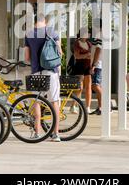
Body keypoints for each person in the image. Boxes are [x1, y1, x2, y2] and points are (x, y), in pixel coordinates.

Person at [24, 13, 63, 142]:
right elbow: (59, 52)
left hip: (36, 72)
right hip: (51, 71)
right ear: (45, 21)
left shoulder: (29, 34)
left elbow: (27, 57)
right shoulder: (52, 31)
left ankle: (37, 133)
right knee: (54, 101)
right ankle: (55, 134)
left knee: (36, 101)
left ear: (35, 22)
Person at [71, 28, 92, 114]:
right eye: (87, 33)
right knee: (79, 87)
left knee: (88, 87)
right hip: (79, 66)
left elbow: (91, 56)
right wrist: (87, 55)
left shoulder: (89, 44)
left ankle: (88, 107)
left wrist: (91, 66)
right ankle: (73, 106)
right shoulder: (77, 43)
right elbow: (77, 56)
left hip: (88, 66)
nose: (89, 34)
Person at [88, 28, 103, 115]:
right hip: (98, 64)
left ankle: (103, 107)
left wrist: (93, 65)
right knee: (97, 86)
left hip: (98, 65)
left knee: (95, 85)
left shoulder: (100, 36)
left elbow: (98, 50)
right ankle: (101, 107)